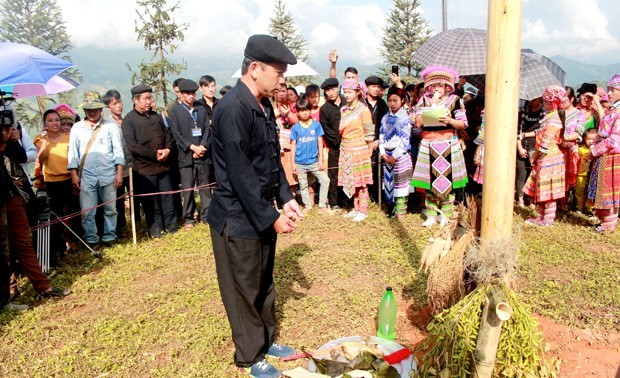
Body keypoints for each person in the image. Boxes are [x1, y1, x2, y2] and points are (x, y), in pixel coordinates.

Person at [207, 34, 303, 378]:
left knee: (263, 279)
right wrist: (271, 217)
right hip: (236, 216)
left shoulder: (261, 105)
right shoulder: (231, 108)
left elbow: (269, 159)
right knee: (243, 286)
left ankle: (266, 339)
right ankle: (249, 354)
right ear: (254, 68)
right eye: (278, 73)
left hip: (260, 208)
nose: (282, 81)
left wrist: (287, 197)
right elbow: (240, 171)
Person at [1, 115, 70, 299]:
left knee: (23, 240)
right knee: (3, 246)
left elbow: (21, 157)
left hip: (10, 192)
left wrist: (12, 140)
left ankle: (43, 286)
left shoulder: (9, 129)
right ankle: (10, 291)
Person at [410, 66, 468, 227]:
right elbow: (418, 123)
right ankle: (431, 214)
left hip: (448, 143)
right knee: (429, 180)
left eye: (440, 85)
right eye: (434, 85)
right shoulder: (423, 101)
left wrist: (449, 121)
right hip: (429, 143)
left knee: (447, 181)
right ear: (429, 86)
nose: (437, 88)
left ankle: (446, 215)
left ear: (447, 86)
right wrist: (431, 107)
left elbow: (463, 123)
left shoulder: (455, 100)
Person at [67, 91, 125, 252]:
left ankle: (110, 236)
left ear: (101, 109)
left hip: (108, 174)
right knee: (87, 212)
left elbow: (118, 152)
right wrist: (74, 175)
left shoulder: (110, 126)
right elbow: (73, 153)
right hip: (86, 176)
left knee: (111, 209)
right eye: (89, 109)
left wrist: (119, 172)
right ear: (84, 110)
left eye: (95, 109)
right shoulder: (77, 128)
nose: (92, 112)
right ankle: (91, 239)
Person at [122, 85, 177, 238]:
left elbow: (167, 135)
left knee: (168, 198)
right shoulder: (129, 121)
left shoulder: (155, 116)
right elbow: (133, 146)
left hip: (163, 166)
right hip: (144, 170)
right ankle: (156, 230)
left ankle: (172, 227)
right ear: (135, 100)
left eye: (150, 98)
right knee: (151, 203)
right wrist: (154, 154)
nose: (149, 101)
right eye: (146, 98)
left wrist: (167, 149)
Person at [33, 109, 79, 262]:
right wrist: (46, 140)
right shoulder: (39, 139)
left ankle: (75, 243)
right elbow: (43, 157)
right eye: (50, 120)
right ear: (45, 124)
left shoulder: (68, 137)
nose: (55, 123)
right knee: (56, 216)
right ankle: (59, 248)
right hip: (52, 182)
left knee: (74, 212)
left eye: (57, 120)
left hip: (69, 179)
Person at [168, 79, 211, 229]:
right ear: (181, 95)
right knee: (188, 189)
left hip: (203, 155)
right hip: (185, 156)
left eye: (193, 93)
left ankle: (206, 215)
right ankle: (188, 218)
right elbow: (177, 135)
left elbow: (206, 129)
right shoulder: (175, 112)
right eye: (187, 94)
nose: (191, 96)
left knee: (205, 188)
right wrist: (192, 148)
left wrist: (202, 147)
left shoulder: (201, 108)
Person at [522, 85, 568, 227]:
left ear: (551, 103)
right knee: (542, 188)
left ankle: (548, 220)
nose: (544, 104)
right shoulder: (549, 117)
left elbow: (544, 145)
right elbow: (540, 134)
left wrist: (534, 157)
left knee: (549, 190)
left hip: (549, 158)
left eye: (545, 102)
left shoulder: (553, 120)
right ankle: (541, 217)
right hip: (546, 158)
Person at [586, 74, 620, 233]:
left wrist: (594, 151)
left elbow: (614, 138)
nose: (610, 93)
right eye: (609, 90)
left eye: (613, 90)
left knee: (609, 191)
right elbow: (604, 130)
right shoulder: (613, 109)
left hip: (612, 155)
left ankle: (608, 224)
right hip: (605, 154)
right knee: (604, 189)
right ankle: (605, 221)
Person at [338, 79, 374, 222]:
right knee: (351, 181)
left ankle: (363, 210)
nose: (346, 94)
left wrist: (369, 149)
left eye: (350, 92)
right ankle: (356, 208)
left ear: (357, 92)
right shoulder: (344, 109)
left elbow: (369, 132)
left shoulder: (363, 110)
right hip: (346, 148)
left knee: (362, 182)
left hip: (359, 149)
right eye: (345, 92)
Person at [290, 98, 330, 213]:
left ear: (310, 110)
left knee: (325, 180)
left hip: (314, 162)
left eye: (307, 110)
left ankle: (322, 206)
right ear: (297, 112)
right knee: (303, 185)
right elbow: (293, 145)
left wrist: (321, 160)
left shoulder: (316, 125)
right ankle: (307, 206)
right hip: (300, 162)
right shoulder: (295, 128)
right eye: (301, 110)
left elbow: (320, 143)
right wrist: (293, 164)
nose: (304, 112)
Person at [102, 90, 133, 238]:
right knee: (119, 200)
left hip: (132, 166)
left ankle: (137, 222)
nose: (119, 105)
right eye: (114, 103)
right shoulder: (107, 125)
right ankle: (121, 227)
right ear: (108, 107)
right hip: (117, 169)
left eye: (119, 101)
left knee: (135, 196)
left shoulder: (127, 120)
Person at [379, 86, 413, 218]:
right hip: (387, 154)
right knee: (389, 183)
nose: (392, 103)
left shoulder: (405, 118)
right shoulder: (385, 117)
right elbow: (381, 135)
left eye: (395, 100)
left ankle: (401, 211)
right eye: (390, 100)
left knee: (401, 184)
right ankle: (390, 208)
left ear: (402, 101)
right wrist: (382, 152)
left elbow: (405, 141)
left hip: (400, 155)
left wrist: (395, 156)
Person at [319, 78, 344, 210]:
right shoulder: (324, 109)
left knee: (348, 172)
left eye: (333, 89)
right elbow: (325, 128)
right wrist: (338, 140)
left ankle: (349, 200)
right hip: (334, 145)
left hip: (350, 144)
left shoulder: (347, 103)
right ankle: (334, 202)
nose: (331, 93)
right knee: (333, 174)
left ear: (338, 88)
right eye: (328, 91)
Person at [559, 86, 586, 210]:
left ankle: (564, 204)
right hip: (558, 148)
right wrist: (560, 141)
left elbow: (578, 132)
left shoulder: (579, 114)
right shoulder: (557, 113)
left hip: (571, 149)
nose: (561, 103)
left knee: (570, 176)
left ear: (571, 99)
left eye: (564, 101)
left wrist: (564, 139)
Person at [365, 76, 390, 203]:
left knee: (376, 170)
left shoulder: (382, 104)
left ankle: (375, 196)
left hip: (377, 141)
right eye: (373, 86)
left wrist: (378, 141)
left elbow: (386, 126)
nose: (376, 89)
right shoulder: (361, 103)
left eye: (378, 87)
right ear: (367, 87)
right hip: (362, 142)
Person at [516, 97, 545, 207]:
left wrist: (527, 134)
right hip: (522, 144)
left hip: (535, 145)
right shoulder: (524, 111)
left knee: (533, 174)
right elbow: (518, 130)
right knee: (521, 173)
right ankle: (520, 200)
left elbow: (542, 130)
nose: (531, 101)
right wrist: (519, 148)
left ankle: (532, 200)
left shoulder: (543, 112)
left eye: (534, 99)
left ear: (539, 99)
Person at [575, 128, 597, 214]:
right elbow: (577, 161)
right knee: (579, 191)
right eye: (589, 139)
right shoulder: (581, 149)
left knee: (590, 192)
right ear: (584, 139)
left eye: (593, 139)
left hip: (591, 175)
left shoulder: (597, 150)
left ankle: (589, 208)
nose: (591, 141)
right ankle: (579, 208)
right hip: (581, 174)